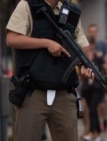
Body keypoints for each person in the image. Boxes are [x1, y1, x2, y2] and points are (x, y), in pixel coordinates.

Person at [6, 0, 94, 141]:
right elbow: (11, 39)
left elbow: (82, 46)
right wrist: (46, 43)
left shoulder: (72, 11)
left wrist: (84, 65)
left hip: (64, 93)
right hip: (32, 92)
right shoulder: (27, 5)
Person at [80, 37, 107, 141]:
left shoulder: (98, 57)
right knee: (91, 110)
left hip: (97, 87)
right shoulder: (83, 58)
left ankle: (93, 133)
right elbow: (80, 75)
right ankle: (97, 134)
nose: (87, 47)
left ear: (93, 45)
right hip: (87, 88)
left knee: (93, 109)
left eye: (89, 44)